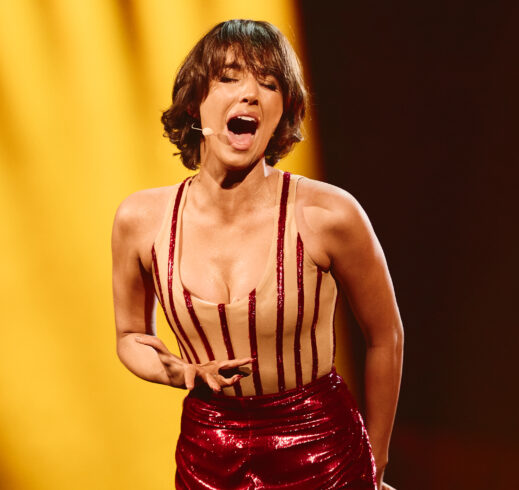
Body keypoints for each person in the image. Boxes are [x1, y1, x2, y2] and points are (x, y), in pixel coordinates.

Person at [111, 19, 403, 489]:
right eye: (229, 78)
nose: (249, 94)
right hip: (207, 455)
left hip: (322, 452)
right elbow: (130, 335)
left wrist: (377, 463)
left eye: (269, 84)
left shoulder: (329, 213)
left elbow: (385, 335)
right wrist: (184, 372)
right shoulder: (140, 219)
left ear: (284, 111)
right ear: (195, 100)